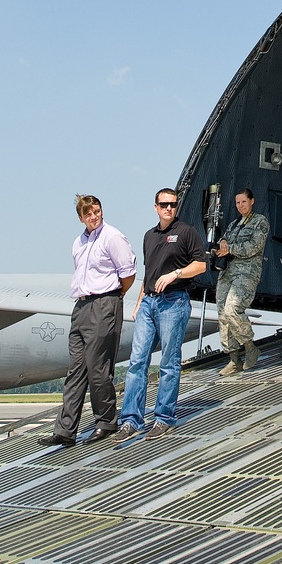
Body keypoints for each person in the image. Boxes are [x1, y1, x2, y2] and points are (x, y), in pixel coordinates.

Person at [38, 195, 136, 448]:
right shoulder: (78, 242)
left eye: (97, 211)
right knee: (76, 370)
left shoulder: (112, 237)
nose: (95, 217)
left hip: (104, 303)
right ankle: (66, 430)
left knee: (98, 368)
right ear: (81, 218)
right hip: (81, 305)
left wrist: (115, 296)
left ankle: (106, 421)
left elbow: (128, 273)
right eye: (89, 214)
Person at [113, 189, 207, 443]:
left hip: (173, 303)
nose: (169, 208)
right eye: (164, 204)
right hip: (149, 304)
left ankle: (164, 418)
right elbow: (149, 271)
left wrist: (175, 274)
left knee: (168, 362)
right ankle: (131, 420)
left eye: (173, 205)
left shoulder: (186, 232)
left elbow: (201, 265)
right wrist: (140, 301)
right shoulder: (149, 236)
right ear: (155, 207)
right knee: (137, 362)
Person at [215, 188, 270, 376]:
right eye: (238, 203)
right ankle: (234, 359)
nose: (240, 206)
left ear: (252, 201)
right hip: (227, 273)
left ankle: (250, 346)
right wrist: (223, 242)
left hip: (246, 274)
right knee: (223, 315)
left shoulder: (260, 221)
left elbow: (254, 246)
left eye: (244, 202)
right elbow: (226, 238)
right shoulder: (234, 223)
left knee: (232, 309)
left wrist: (230, 249)